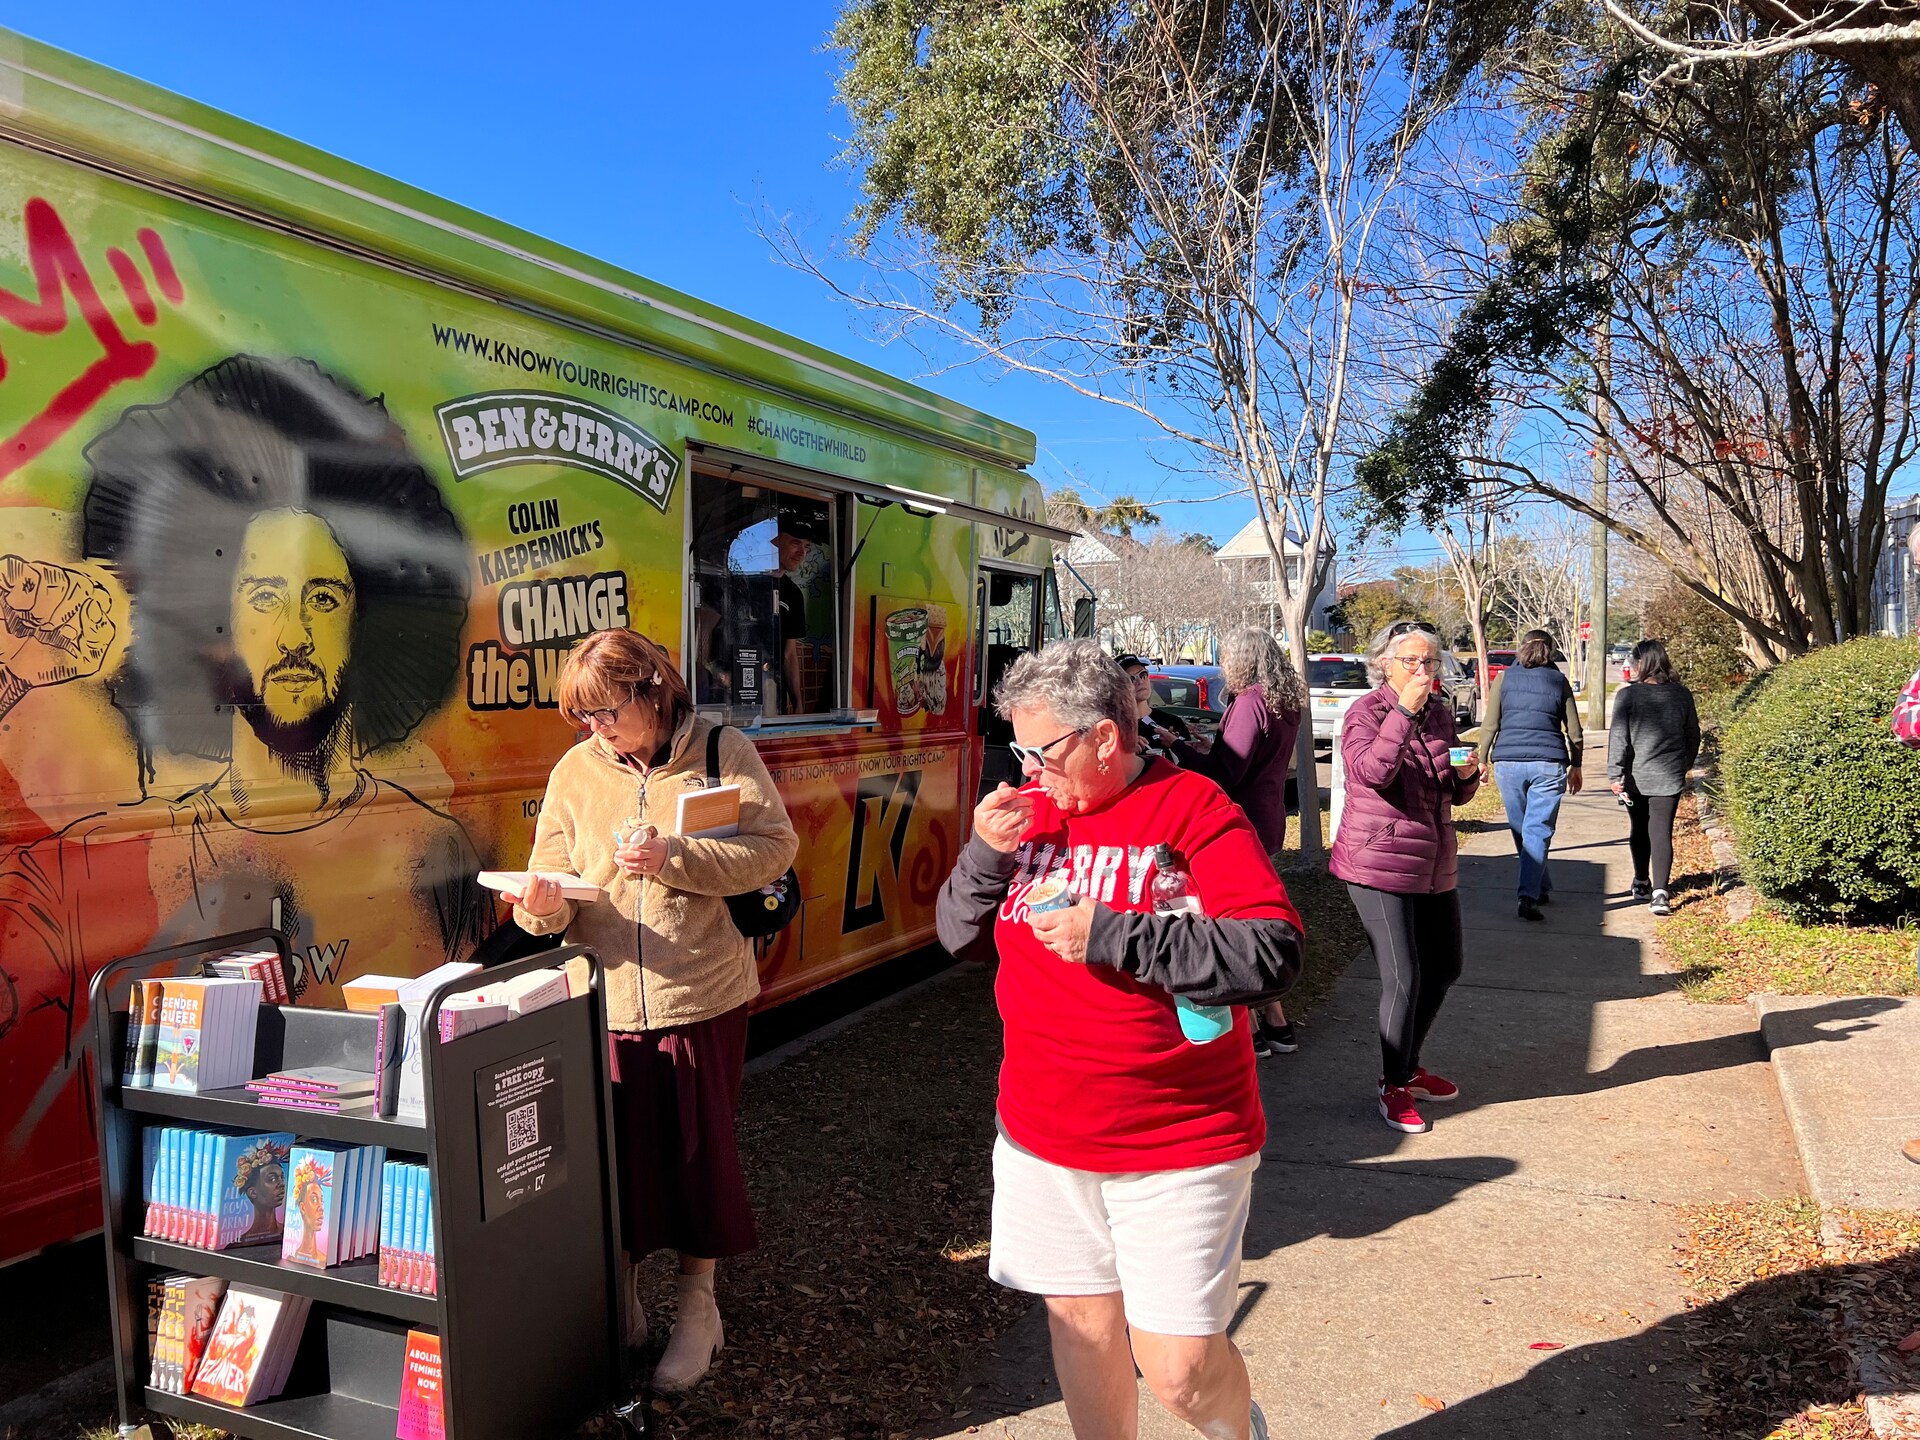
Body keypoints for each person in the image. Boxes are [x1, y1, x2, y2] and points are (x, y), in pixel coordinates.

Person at [936, 639, 1302, 1440]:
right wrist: (984, 855)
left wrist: (1117, 936)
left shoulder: (1194, 809)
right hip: (1041, 1133)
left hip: (1180, 1139)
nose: (1028, 771)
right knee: (1080, 1326)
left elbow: (1272, 953)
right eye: (1019, 751)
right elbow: (959, 938)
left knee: (1179, 1371)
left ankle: (1241, 1430)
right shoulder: (1031, 817)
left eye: (1043, 751)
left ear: (1106, 737)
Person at [505, 629, 799, 1392]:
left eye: (606, 712)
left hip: (700, 993)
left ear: (653, 689)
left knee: (697, 1159)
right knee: (614, 1162)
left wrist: (677, 857)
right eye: (583, 718)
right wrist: (538, 907)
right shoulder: (575, 770)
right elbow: (553, 880)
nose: (595, 731)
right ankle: (623, 1299)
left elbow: (774, 849)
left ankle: (699, 1309)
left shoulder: (722, 750)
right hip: (603, 1002)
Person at [1329, 619, 1481, 1135]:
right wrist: (1403, 711)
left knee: (1446, 967)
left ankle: (1409, 1064)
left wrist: (1467, 775)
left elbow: (1453, 790)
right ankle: (1392, 1085)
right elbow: (1372, 773)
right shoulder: (1364, 713)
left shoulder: (1440, 713)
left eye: (1431, 662)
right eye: (1411, 661)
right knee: (1405, 975)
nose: (1423, 670)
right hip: (1376, 862)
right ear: (1383, 666)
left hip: (1434, 860)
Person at [1186, 628, 1306, 1058]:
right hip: (1269, 815)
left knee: (1233, 921)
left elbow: (1227, 772)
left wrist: (1180, 751)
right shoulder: (1282, 702)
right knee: (1251, 917)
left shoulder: (1251, 701)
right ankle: (1276, 1023)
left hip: (1239, 823)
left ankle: (1255, 1028)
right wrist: (1209, 744)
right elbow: (1248, 757)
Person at [1478, 628, 1585, 921]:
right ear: (1550, 651)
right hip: (1549, 763)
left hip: (1508, 763)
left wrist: (1481, 759)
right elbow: (1574, 731)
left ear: (1520, 648)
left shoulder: (1504, 678)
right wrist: (1577, 764)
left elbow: (1490, 724)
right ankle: (1529, 893)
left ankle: (1534, 888)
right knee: (1536, 829)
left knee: (1522, 828)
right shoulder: (1558, 681)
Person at [1607, 638, 1701, 917]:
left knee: (1639, 828)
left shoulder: (1629, 696)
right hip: (1669, 774)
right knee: (1661, 831)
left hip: (1636, 777)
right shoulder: (1681, 694)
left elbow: (1619, 738)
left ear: (1640, 663)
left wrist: (1615, 773)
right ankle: (1661, 892)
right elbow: (1693, 734)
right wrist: (1684, 764)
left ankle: (1641, 881)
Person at [1115, 652, 1194, 761]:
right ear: (1117, 688)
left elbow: (1190, 766)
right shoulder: (1114, 730)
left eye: (1143, 675)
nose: (1139, 681)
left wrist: (1175, 745)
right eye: (1130, 679)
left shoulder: (1173, 722)